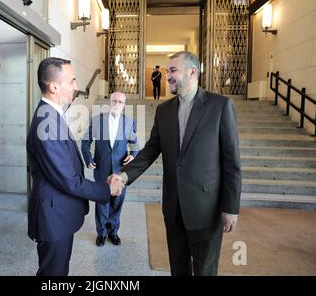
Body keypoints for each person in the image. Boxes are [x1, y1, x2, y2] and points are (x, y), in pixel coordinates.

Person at [110, 51, 241, 276]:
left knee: (204, 271)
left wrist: (231, 207)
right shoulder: (164, 110)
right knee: (178, 268)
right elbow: (150, 150)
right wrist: (123, 176)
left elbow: (231, 162)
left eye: (173, 70)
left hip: (205, 209)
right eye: (168, 70)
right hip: (173, 208)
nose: (168, 75)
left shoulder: (220, 106)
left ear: (192, 72)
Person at [27, 57, 123, 276]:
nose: (77, 87)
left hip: (59, 213)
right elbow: (68, 180)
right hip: (53, 217)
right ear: (53, 86)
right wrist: (105, 189)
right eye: (72, 81)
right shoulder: (47, 123)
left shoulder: (51, 115)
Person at [81, 92, 138, 247]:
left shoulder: (129, 122)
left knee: (117, 202)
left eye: (120, 102)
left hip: (121, 170)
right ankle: (101, 233)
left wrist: (133, 154)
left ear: (124, 105)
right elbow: (85, 141)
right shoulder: (98, 120)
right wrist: (88, 158)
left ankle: (113, 232)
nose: (117, 104)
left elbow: (134, 143)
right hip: (102, 169)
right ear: (110, 102)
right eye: (114, 101)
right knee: (102, 202)